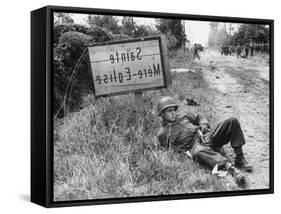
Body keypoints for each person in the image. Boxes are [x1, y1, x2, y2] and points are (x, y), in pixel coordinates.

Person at [156, 96, 253, 187]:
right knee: (199, 151)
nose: (173, 113)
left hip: (205, 137)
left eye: (173, 110)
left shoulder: (183, 116)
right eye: (169, 111)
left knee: (232, 121)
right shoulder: (163, 133)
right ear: (162, 114)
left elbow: (199, 117)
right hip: (194, 147)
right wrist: (185, 152)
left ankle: (240, 159)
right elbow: (170, 151)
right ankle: (232, 170)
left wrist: (204, 125)